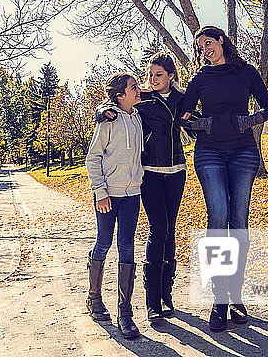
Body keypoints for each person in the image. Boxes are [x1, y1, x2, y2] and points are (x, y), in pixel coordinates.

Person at [179, 26, 268, 332]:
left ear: (221, 40)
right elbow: (184, 115)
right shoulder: (200, 79)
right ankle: (219, 300)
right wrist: (209, 125)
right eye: (200, 47)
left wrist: (244, 122)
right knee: (218, 217)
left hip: (243, 153)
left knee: (239, 220)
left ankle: (236, 294)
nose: (204, 49)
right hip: (209, 153)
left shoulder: (246, 72)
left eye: (208, 43)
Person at [96, 53, 190, 323]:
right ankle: (152, 301)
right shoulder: (143, 98)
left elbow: (194, 115)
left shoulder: (181, 98)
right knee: (158, 229)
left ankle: (165, 293)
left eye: (158, 74)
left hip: (176, 171)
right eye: (149, 75)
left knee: (170, 230)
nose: (152, 80)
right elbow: (111, 103)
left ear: (171, 75)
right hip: (150, 173)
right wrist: (101, 111)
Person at [85, 73, 144, 339]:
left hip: (133, 195)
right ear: (120, 95)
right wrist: (100, 192)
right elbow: (92, 158)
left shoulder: (138, 117)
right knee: (104, 243)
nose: (138, 89)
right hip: (108, 195)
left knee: (127, 246)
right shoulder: (108, 120)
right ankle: (94, 298)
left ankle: (125, 311)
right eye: (133, 88)